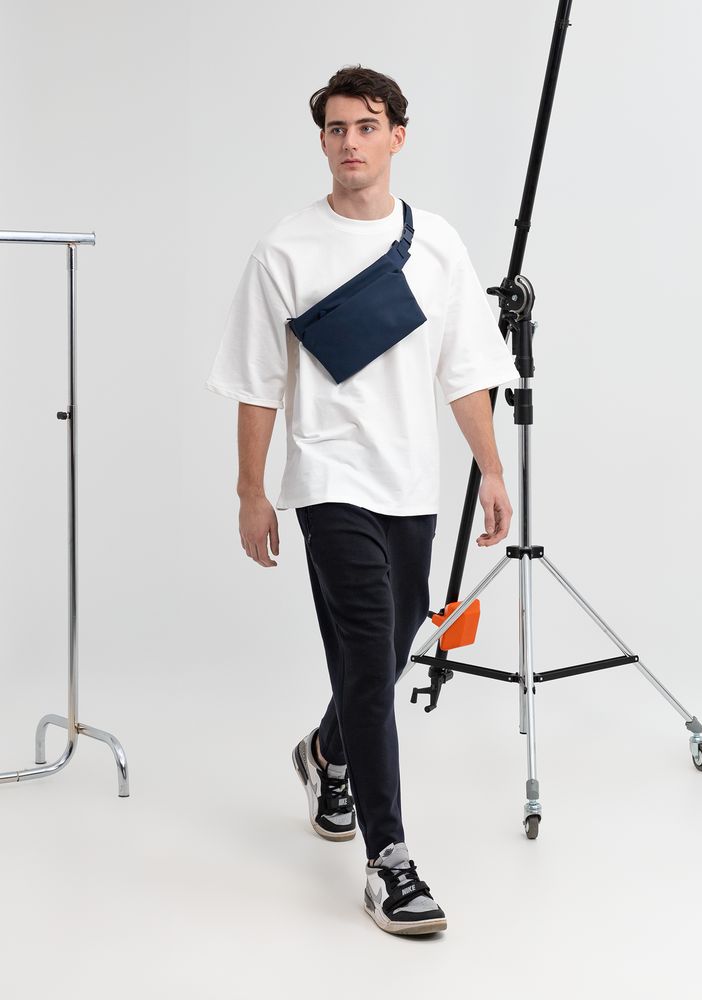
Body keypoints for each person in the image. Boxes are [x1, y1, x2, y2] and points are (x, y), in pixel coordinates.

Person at [205, 64, 519, 936]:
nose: (351, 142)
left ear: (397, 137)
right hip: (327, 477)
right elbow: (257, 384)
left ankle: (325, 752)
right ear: (323, 142)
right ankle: (391, 862)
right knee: (367, 654)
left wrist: (491, 470)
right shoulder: (285, 250)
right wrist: (251, 492)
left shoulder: (437, 243)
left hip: (410, 481)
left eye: (367, 126)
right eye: (337, 128)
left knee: (388, 649)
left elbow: (466, 370)